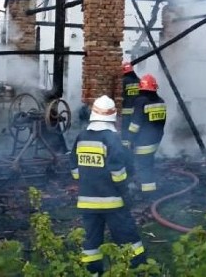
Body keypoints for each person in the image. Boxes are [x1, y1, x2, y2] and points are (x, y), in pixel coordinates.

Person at [69, 95, 145, 273]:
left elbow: (74, 167)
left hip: (87, 202)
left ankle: (93, 272)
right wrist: (125, 191)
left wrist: (88, 180)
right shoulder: (111, 139)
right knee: (128, 238)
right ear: (112, 117)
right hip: (112, 202)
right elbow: (117, 172)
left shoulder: (81, 137)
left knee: (91, 243)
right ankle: (139, 269)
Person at [127, 74, 167, 196]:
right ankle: (148, 187)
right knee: (148, 164)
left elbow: (135, 124)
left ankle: (147, 193)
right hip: (156, 140)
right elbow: (162, 123)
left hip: (143, 141)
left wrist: (129, 140)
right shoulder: (161, 102)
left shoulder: (140, 101)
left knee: (143, 166)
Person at [120, 61, 140, 149]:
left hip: (126, 112)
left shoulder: (123, 81)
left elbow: (119, 96)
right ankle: (133, 146)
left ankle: (125, 148)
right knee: (135, 130)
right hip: (137, 112)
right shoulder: (139, 81)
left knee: (125, 130)